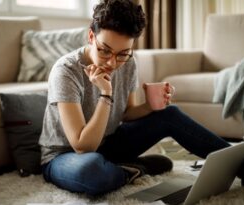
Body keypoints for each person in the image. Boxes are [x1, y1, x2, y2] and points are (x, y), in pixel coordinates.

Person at [39, 0, 230, 196]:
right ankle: (136, 168)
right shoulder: (66, 71)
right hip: (65, 156)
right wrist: (106, 94)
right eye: (105, 51)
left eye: (123, 53)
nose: (113, 62)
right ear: (91, 36)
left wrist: (150, 105)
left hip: (108, 144)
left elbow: (127, 114)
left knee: (169, 114)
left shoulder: (129, 62)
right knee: (92, 171)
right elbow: (82, 146)